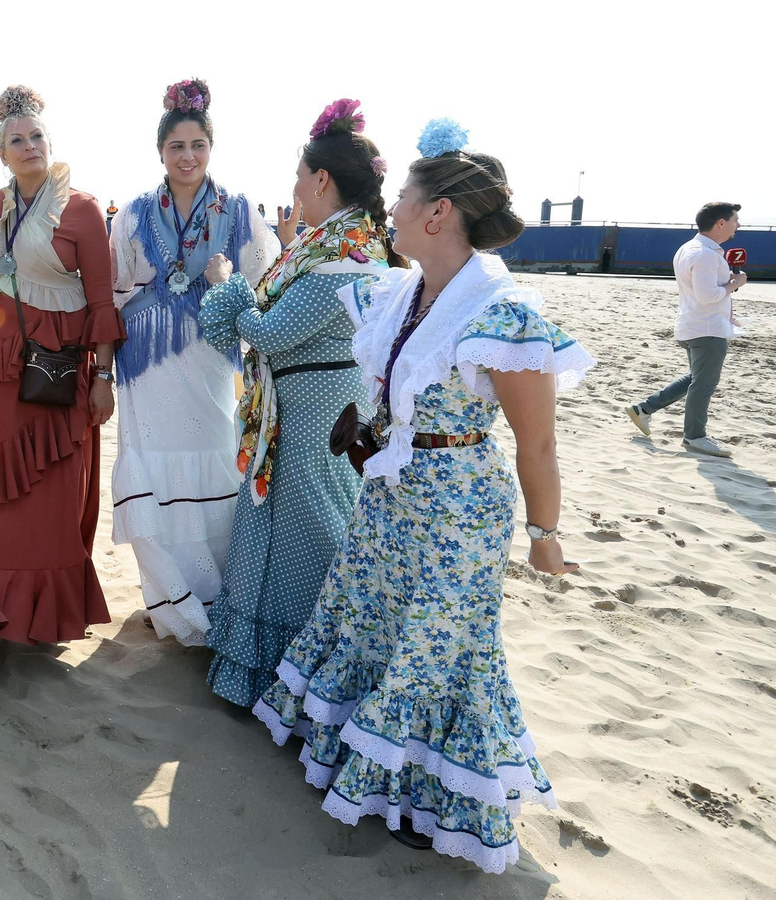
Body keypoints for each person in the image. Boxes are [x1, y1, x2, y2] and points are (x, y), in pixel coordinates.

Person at [251, 119, 595, 871]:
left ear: (438, 213)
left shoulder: (502, 315)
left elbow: (537, 444)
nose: (392, 206)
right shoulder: (399, 292)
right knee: (374, 624)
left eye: (403, 195)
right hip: (388, 496)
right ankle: (370, 763)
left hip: (457, 512)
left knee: (438, 650)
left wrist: (544, 536)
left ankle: (429, 796)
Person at [197, 99, 390, 702]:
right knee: (288, 523)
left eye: (300, 174)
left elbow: (273, 332)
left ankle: (301, 670)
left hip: (312, 415)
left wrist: (227, 285)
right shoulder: (342, 243)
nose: (295, 186)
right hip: (315, 405)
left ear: (322, 179)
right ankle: (287, 670)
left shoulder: (341, 256)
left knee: (305, 531)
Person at [0, 86, 125, 645]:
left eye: (36, 136)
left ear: (50, 142)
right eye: (16, 140)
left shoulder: (83, 209)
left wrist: (104, 379)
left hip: (53, 375)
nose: (29, 146)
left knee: (50, 497)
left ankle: (38, 618)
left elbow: (101, 304)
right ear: (1, 154)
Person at [108, 78, 278, 645]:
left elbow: (263, 284)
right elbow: (114, 287)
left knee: (215, 463)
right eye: (176, 146)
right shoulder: (134, 212)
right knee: (153, 468)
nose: (187, 156)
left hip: (209, 360)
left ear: (211, 147)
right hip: (146, 364)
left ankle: (215, 598)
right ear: (160, 150)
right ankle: (169, 600)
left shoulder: (240, 211)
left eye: (197, 145)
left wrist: (224, 284)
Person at [625, 201, 746, 457]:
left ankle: (643, 409)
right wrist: (736, 283)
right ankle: (695, 437)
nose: (738, 225)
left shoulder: (690, 248)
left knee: (695, 378)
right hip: (707, 329)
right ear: (720, 223)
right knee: (704, 384)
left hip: (695, 324)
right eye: (735, 220)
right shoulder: (705, 254)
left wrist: (728, 299)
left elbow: (702, 292)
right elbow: (708, 295)